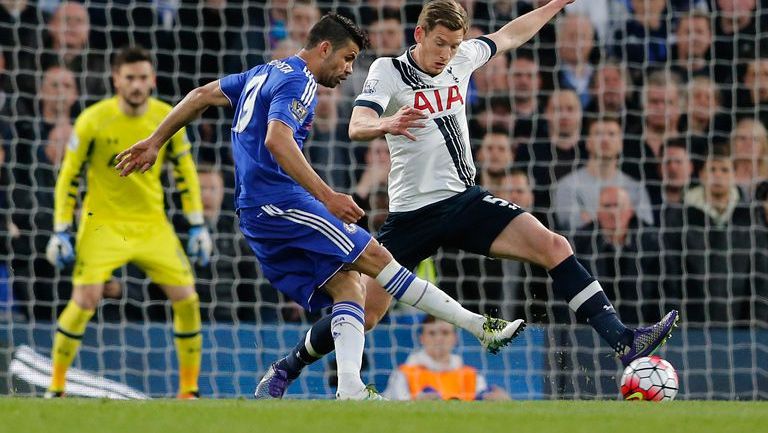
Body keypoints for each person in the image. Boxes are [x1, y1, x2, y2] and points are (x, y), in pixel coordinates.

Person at [250, 0, 677, 400]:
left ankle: (623, 340)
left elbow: (510, 35)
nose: (446, 54)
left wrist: (553, 6)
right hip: (411, 215)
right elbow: (356, 126)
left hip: (465, 202)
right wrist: (389, 122)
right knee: (367, 311)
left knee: (554, 246)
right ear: (419, 34)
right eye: (439, 43)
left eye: (454, 45)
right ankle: (286, 368)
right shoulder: (388, 70)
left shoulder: (463, 58)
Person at [115, 14, 522, 401]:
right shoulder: (301, 83)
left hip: (256, 213)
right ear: (324, 49)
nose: (348, 71)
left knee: (348, 287)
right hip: (279, 201)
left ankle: (349, 389)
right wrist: (328, 196)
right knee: (377, 257)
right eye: (347, 59)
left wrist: (155, 141)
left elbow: (201, 95)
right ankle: (478, 327)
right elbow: (278, 139)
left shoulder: (265, 71)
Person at [43, 47, 211, 399]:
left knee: (187, 299)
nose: (137, 85)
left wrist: (197, 224)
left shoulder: (169, 117)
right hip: (102, 224)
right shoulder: (92, 119)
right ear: (115, 79)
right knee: (85, 299)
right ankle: (56, 386)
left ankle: (188, 391)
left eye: (143, 78)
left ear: (153, 79)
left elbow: (186, 174)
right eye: (130, 78)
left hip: (151, 224)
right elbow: (68, 177)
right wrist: (60, 229)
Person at [383, 315, 511, 401]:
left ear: (454, 338)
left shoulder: (470, 375)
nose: (439, 339)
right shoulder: (404, 374)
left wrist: (496, 399)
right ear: (421, 338)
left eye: (445, 333)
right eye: (432, 333)